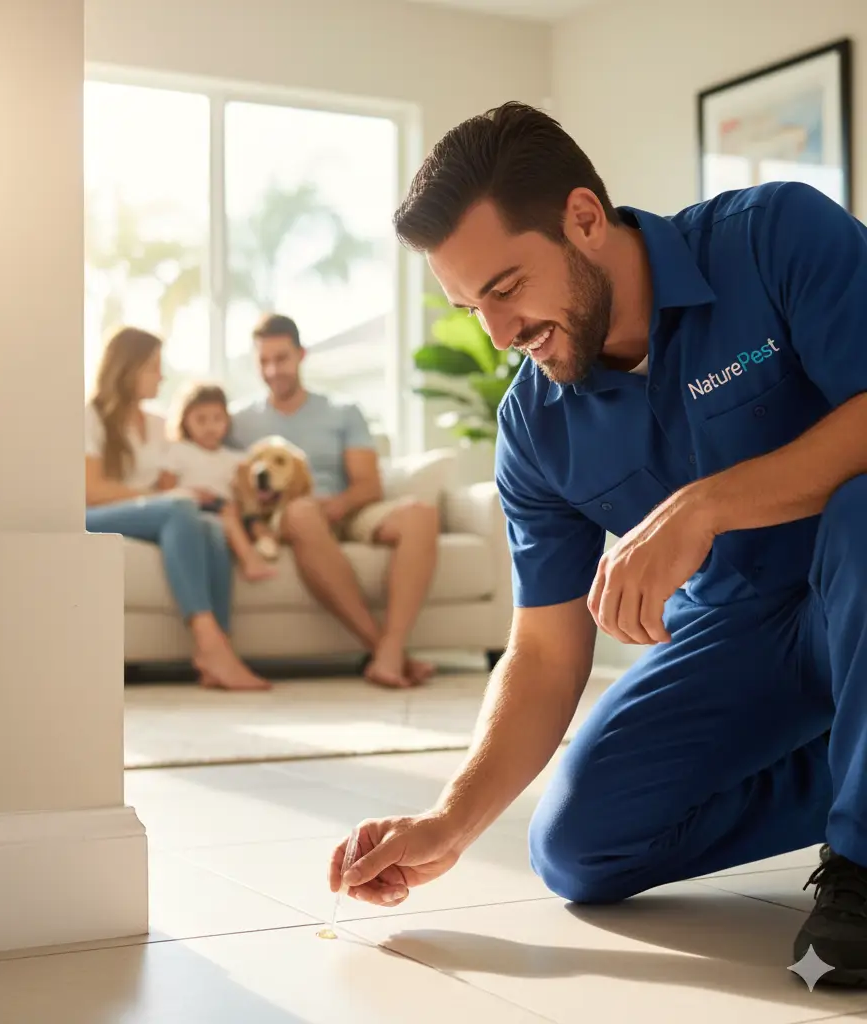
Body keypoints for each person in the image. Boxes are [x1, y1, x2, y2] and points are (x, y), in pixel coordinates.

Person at [327, 101, 867, 985]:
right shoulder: (534, 426)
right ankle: (857, 768)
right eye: (471, 308)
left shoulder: (775, 236)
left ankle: (863, 858)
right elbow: (543, 648)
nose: (499, 334)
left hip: (859, 570)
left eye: (504, 288)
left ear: (584, 218)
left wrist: (703, 507)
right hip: (746, 634)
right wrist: (449, 822)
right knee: (581, 845)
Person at [230, 314, 440, 689]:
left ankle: (390, 649)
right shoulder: (240, 422)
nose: (273, 369)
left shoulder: (341, 412)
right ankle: (387, 653)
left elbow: (368, 485)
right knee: (299, 511)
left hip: (344, 509)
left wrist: (337, 507)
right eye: (264, 361)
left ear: (301, 355)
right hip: (292, 516)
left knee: (421, 515)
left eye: (281, 358)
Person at [85, 327, 269, 691]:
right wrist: (162, 498)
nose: (161, 375)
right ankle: (208, 643)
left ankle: (221, 648)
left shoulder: (158, 424)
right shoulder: (90, 416)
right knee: (180, 506)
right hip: (96, 516)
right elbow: (93, 489)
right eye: (154, 366)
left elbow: (170, 481)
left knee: (211, 525)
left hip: (152, 513)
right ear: (129, 367)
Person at [166, 381, 277, 583]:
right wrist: (190, 494)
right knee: (227, 513)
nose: (210, 427)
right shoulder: (178, 451)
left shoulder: (236, 459)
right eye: (201, 420)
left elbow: (248, 495)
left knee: (247, 518)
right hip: (194, 508)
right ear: (185, 421)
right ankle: (250, 561)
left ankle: (266, 543)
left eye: (217, 419)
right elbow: (165, 491)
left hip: (229, 509)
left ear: (227, 421)